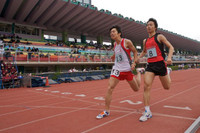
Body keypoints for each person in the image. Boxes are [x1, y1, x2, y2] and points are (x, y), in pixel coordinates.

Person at [96, 25, 144, 119]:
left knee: (136, 89)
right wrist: (113, 56)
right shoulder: (114, 44)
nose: (112, 33)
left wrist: (134, 63)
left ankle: (138, 73)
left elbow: (134, 52)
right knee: (110, 88)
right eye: (111, 32)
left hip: (127, 70)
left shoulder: (126, 42)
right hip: (117, 70)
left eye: (113, 31)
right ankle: (106, 111)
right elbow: (118, 53)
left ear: (119, 33)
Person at [138, 18, 174, 122]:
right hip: (150, 65)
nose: (148, 26)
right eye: (147, 25)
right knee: (146, 86)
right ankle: (147, 111)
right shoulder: (145, 41)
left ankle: (167, 71)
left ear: (155, 27)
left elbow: (171, 47)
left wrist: (169, 57)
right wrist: (138, 58)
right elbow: (144, 51)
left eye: (150, 25)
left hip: (161, 64)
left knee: (167, 87)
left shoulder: (159, 36)